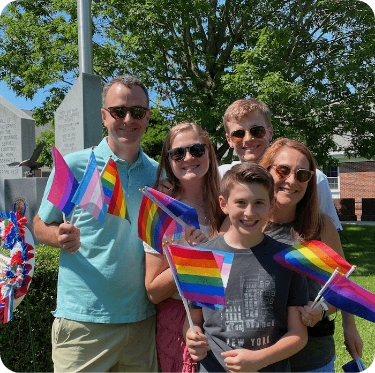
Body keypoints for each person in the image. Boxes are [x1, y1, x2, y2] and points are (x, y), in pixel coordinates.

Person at [33, 75, 159, 372]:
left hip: (141, 322)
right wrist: (58, 236)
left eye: (137, 112)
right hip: (83, 324)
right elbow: (39, 224)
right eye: (118, 111)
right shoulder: (76, 166)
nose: (128, 119)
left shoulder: (158, 174)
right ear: (104, 116)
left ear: (148, 117)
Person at [184, 162, 309, 372]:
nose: (249, 212)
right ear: (223, 204)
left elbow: (298, 334)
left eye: (259, 202)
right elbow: (194, 320)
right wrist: (192, 337)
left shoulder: (287, 259)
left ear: (271, 206)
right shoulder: (204, 257)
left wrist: (260, 359)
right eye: (240, 202)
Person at [259, 137, 363, 372]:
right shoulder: (248, 223)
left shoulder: (320, 226)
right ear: (266, 171)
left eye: (302, 175)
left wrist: (343, 321)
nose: (291, 181)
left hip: (313, 359)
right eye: (283, 170)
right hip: (258, 358)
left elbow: (342, 285)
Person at [144, 122, 226, 372]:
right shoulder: (162, 212)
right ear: (168, 160)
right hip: (183, 325)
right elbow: (153, 292)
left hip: (226, 321)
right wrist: (187, 257)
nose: (188, 158)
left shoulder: (227, 203)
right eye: (178, 153)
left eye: (196, 149)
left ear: (210, 152)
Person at [219, 98, 343, 230]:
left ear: (270, 132)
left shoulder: (311, 178)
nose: (248, 138)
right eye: (238, 134)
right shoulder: (221, 177)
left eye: (257, 131)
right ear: (229, 140)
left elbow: (327, 235)